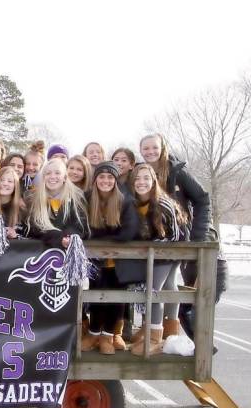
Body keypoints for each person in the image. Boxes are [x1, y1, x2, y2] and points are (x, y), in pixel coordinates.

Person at [139, 133, 211, 339]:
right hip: (154, 234)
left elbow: (203, 199)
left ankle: (154, 333)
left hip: (176, 234)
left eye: (154, 147)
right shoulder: (141, 172)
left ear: (163, 148)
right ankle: (168, 332)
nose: (150, 152)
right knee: (169, 281)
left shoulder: (177, 172)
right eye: (146, 148)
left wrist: (198, 235)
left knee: (154, 285)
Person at [127, 164, 188, 355]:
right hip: (151, 252)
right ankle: (158, 330)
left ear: (153, 180)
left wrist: (157, 248)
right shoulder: (134, 203)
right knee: (163, 285)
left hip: (168, 251)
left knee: (154, 290)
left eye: (146, 178)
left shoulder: (163, 203)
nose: (141, 182)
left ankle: (156, 335)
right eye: (137, 178)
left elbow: (176, 235)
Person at [80, 162, 138, 355]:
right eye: (102, 177)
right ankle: (93, 333)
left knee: (116, 298)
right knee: (96, 296)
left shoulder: (125, 200)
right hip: (95, 259)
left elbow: (128, 232)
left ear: (115, 180)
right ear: (95, 179)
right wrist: (99, 239)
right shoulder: (87, 198)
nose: (105, 181)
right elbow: (84, 229)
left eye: (110, 177)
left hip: (119, 260)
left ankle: (107, 336)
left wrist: (102, 239)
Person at [24, 158, 89, 248]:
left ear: (65, 178)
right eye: (48, 173)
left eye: (57, 173)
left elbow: (80, 226)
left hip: (69, 250)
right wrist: (58, 238)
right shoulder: (32, 197)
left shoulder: (77, 196)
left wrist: (69, 237)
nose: (52, 176)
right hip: (41, 253)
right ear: (43, 177)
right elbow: (32, 227)